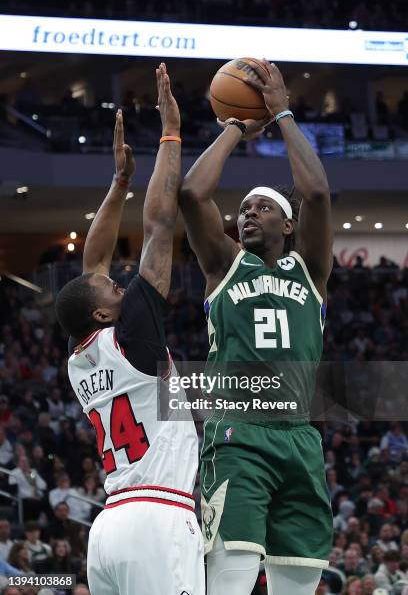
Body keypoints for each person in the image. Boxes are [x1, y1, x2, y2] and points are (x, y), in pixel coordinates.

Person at [180, 60, 333, 595]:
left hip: (301, 439)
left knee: (299, 583)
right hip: (238, 437)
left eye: (261, 208)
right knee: (231, 582)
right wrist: (234, 129)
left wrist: (283, 112)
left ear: (287, 224)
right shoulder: (223, 265)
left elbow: (316, 193)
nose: (247, 214)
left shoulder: (310, 268)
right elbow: (192, 196)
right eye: (243, 209)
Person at [55, 64, 204, 595]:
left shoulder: (80, 359)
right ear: (102, 314)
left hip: (110, 528)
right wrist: (170, 134)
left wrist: (119, 184)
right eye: (114, 291)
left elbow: (90, 269)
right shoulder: (133, 339)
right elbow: (161, 222)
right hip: (158, 521)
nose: (121, 285)